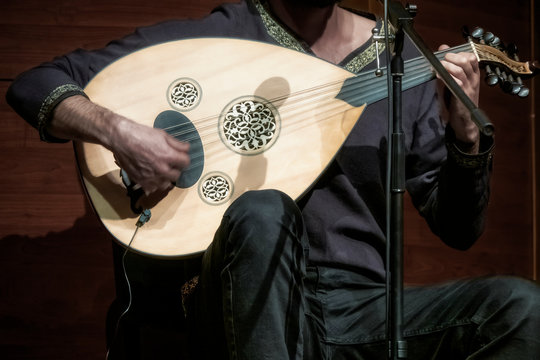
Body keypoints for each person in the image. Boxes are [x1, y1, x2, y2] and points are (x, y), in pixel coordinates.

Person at [6, 0, 540, 359]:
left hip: (359, 307)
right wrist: (121, 132)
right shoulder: (225, 32)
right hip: (233, 298)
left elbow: (459, 228)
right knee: (264, 208)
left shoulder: (404, 61)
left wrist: (467, 137)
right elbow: (37, 84)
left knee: (521, 308)